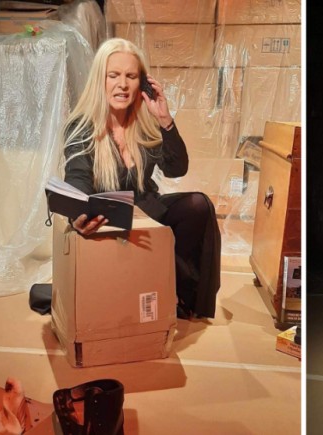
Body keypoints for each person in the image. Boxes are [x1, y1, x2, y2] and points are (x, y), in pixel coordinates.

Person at [60, 37, 221, 319]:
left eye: (131, 76)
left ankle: (180, 295)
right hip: (109, 217)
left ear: (142, 84)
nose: (122, 84)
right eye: (113, 75)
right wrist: (78, 212)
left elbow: (176, 169)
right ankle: (153, 284)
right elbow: (77, 176)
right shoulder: (81, 127)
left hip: (146, 211)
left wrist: (165, 120)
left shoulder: (145, 125)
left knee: (198, 205)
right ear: (100, 80)